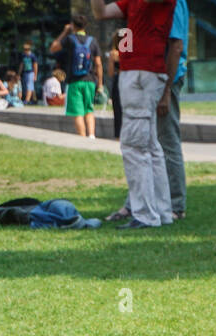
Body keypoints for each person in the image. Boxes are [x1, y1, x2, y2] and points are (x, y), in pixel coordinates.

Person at [90, 0, 176, 230]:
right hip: (137, 72)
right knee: (149, 146)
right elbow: (101, 12)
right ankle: (161, 211)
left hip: (142, 73)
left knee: (134, 146)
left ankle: (146, 215)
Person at [161, 0, 190, 220]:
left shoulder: (173, 3)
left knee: (167, 140)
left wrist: (166, 89)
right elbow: (126, 34)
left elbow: (177, 44)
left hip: (165, 79)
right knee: (142, 144)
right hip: (143, 78)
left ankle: (176, 205)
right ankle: (137, 201)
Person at [52, 16, 102, 138]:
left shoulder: (69, 39)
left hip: (74, 82)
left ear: (73, 25)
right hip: (90, 81)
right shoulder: (92, 41)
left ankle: (82, 138)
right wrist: (100, 84)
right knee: (89, 110)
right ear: (85, 26)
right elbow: (98, 64)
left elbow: (53, 47)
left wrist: (65, 31)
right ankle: (91, 136)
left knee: (78, 112)